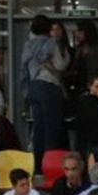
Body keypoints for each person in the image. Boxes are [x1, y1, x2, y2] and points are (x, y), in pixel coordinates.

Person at [22, 16, 70, 157]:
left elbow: (24, 67)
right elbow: (60, 65)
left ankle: (38, 162)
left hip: (33, 85)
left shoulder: (28, 45)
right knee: (52, 127)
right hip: (49, 86)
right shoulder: (50, 43)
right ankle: (50, 160)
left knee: (39, 126)